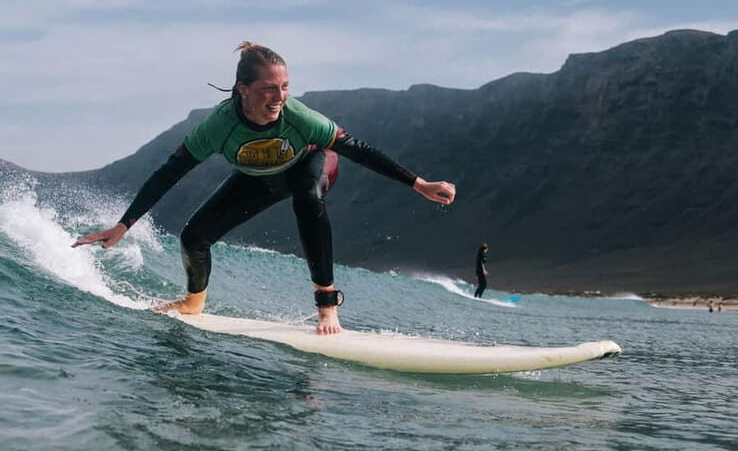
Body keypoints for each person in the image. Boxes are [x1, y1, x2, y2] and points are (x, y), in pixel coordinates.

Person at [73, 42, 456, 335]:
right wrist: (124, 225)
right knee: (193, 237)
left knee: (307, 193)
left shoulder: (300, 118)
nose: (280, 97)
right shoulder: (218, 128)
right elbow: (168, 174)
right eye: (269, 89)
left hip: (311, 163)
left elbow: (357, 149)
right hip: (261, 176)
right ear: (243, 89)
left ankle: (327, 302)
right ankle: (193, 303)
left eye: (285, 86)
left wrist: (418, 184)